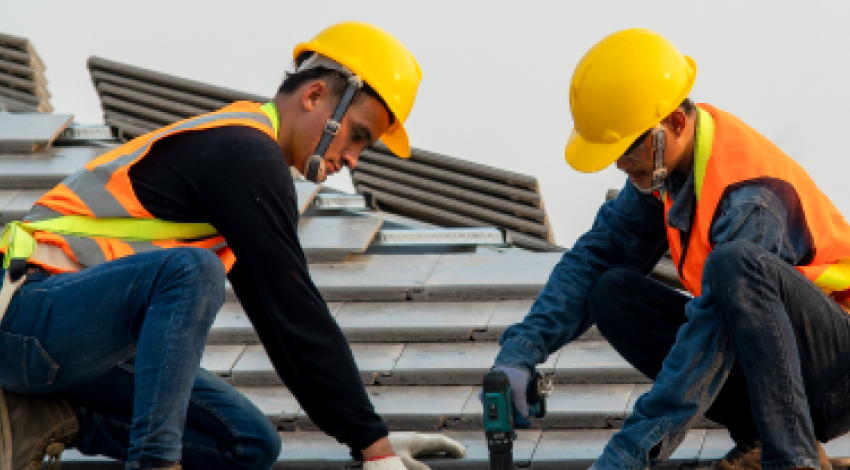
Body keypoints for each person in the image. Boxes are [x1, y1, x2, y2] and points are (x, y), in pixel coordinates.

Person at [0, 22, 465, 470]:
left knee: (247, 443)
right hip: (26, 315)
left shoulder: (245, 166)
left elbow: (281, 323)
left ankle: (47, 420)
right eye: (358, 135)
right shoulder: (245, 153)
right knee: (194, 271)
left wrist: (366, 438)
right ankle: (156, 461)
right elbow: (296, 309)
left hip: (75, 345)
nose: (352, 159)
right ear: (316, 95)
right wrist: (372, 443)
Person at [487, 28, 850, 470]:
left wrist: (627, 455)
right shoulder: (665, 171)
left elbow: (708, 337)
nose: (622, 166)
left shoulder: (751, 199)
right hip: (778, 364)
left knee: (735, 268)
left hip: (837, 373)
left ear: (674, 124)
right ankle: (759, 436)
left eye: (626, 151)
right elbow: (595, 257)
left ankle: (792, 458)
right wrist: (521, 349)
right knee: (611, 292)